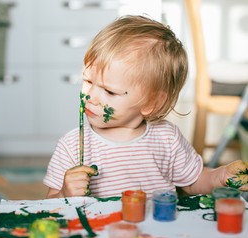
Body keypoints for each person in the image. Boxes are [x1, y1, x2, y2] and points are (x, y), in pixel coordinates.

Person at [43, 15, 248, 199]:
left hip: (158, 235)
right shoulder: (72, 145)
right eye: (88, 81)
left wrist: (221, 176)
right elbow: (50, 204)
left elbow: (194, 182)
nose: (90, 96)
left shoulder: (166, 138)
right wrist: (64, 193)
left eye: (110, 92)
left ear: (151, 103)